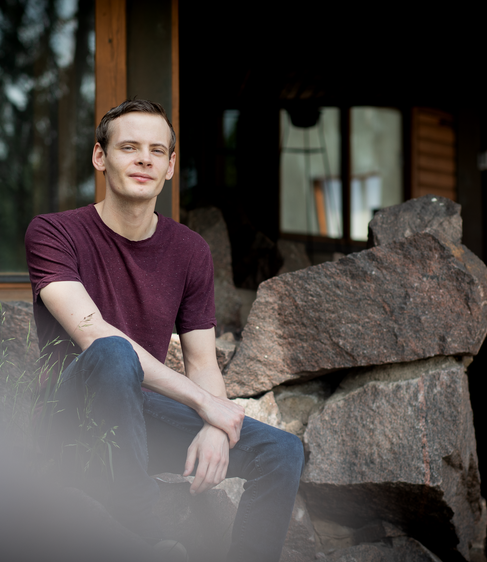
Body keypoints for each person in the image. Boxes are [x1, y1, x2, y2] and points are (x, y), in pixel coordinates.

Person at [25, 99, 303, 562]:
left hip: (141, 420)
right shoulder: (53, 233)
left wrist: (215, 425)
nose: (144, 159)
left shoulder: (190, 251)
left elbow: (202, 362)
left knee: (283, 451)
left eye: (157, 151)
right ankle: (145, 530)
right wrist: (204, 405)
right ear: (100, 157)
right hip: (73, 417)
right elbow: (94, 335)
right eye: (129, 147)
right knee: (112, 352)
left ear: (171, 166)